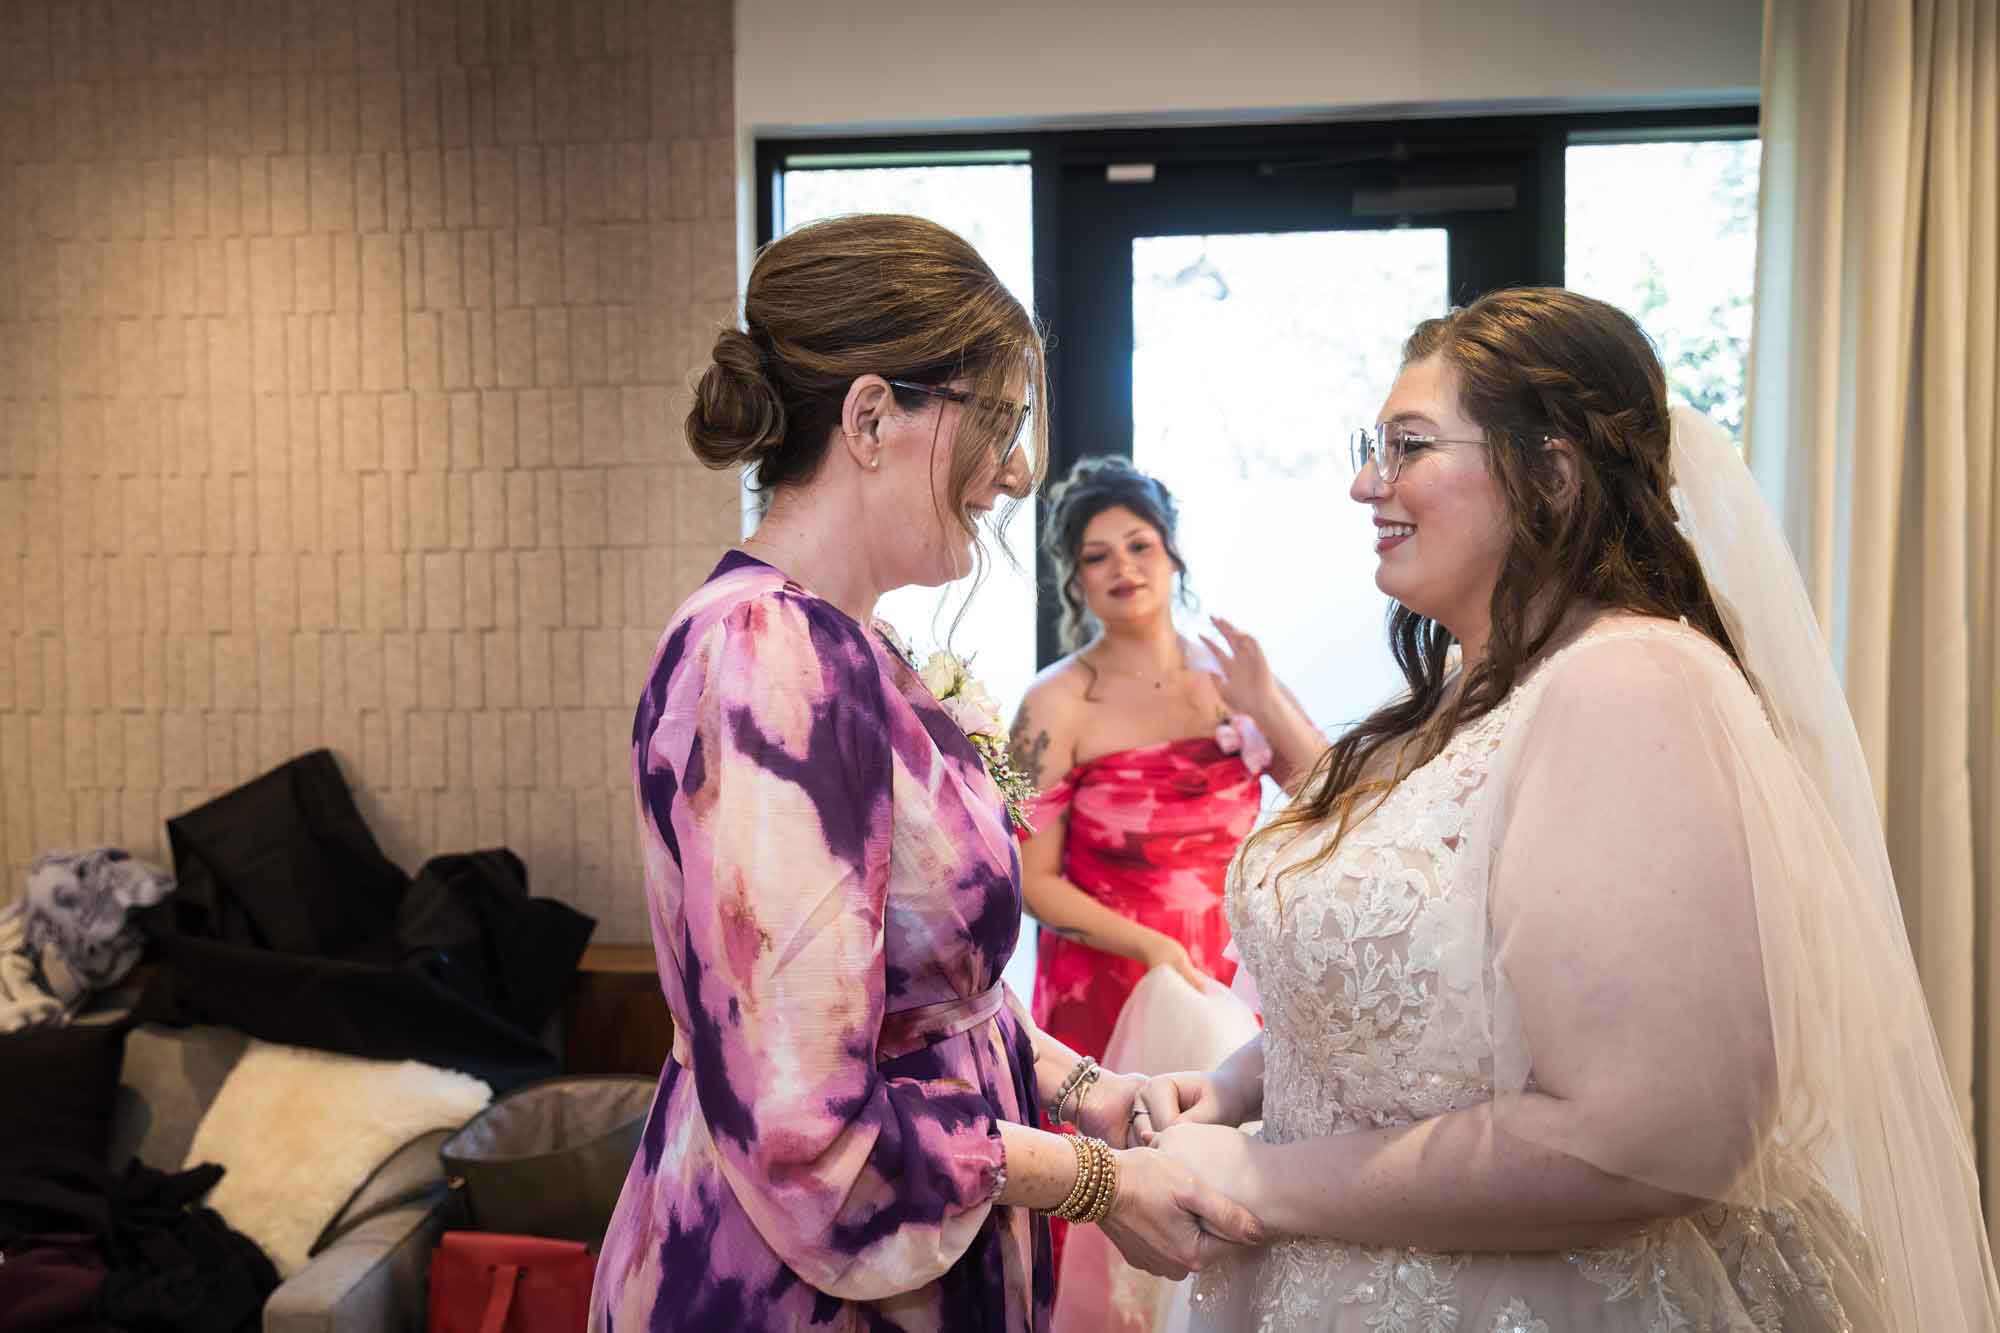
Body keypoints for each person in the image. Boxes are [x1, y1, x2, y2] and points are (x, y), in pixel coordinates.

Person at [1137, 287, 2000, 1331]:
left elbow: (1643, 1138)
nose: (1366, 482)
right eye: (1373, 445)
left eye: (1406, 446)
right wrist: (1238, 1088)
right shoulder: (1457, 698)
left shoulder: (1625, 687)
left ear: (1546, 473)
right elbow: (1440, 1008)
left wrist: (1267, 1181)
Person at [590, 214, 1264, 1333]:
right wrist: (1097, 1183)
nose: (1010, 470)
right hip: (794, 1294)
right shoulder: (768, 658)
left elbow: (925, 1002)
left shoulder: (852, 647)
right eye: (994, 421)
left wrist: (1088, 1091)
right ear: (868, 418)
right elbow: (804, 1126)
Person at [1009, 458, 1322, 1065]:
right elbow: (1032, 879)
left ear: (1172, 553)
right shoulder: (1054, 703)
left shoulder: (1231, 676)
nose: (1122, 566)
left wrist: (1269, 708)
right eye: (1098, 556)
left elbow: (1336, 798)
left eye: (1139, 545)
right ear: (1076, 577)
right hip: (1110, 974)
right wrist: (1152, 948)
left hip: (1235, 967)